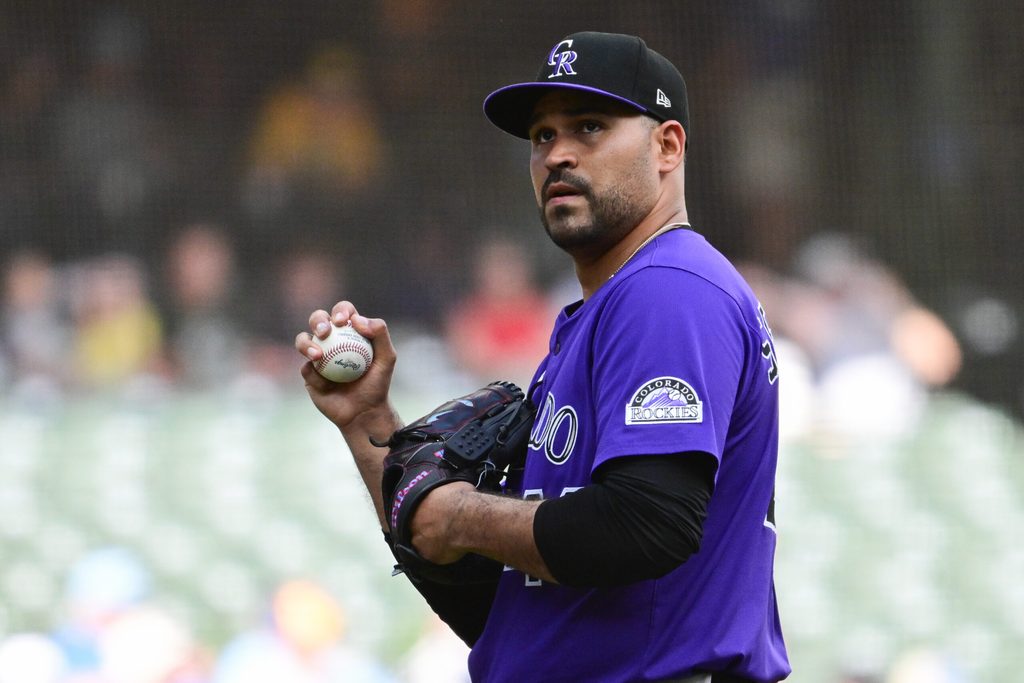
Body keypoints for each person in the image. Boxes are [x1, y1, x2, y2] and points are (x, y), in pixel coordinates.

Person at [296, 31, 790, 682]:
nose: (558, 154)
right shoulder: (600, 317)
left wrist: (462, 514)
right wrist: (368, 423)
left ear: (667, 146)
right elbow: (505, 613)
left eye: (589, 127)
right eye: (541, 136)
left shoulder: (670, 289)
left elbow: (647, 522)